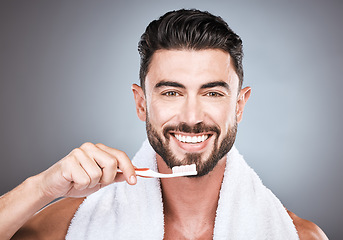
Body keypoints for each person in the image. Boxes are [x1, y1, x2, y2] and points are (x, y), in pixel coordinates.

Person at [0, 9, 328, 240]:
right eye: (171, 92)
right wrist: (42, 187)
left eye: (212, 92)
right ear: (142, 103)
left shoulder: (298, 236)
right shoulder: (69, 224)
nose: (191, 117)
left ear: (239, 106)